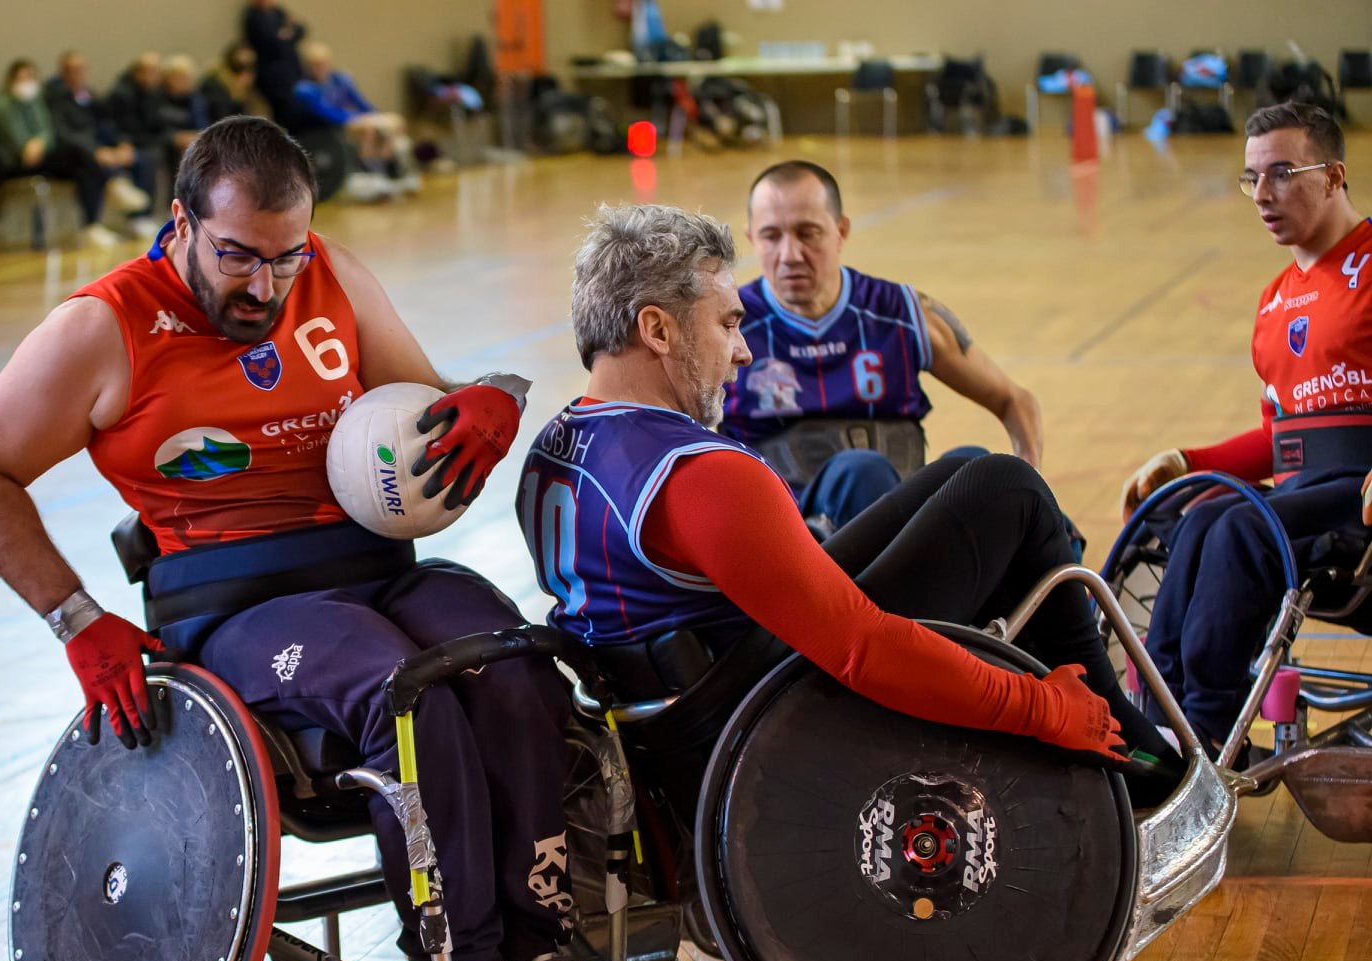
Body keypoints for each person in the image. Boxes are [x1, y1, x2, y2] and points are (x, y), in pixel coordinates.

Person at [0, 116, 608, 961]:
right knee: (401, 689)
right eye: (236, 257)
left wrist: (487, 401)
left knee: (513, 660)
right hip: (236, 607)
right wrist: (75, 618)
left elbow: (425, 407)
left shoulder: (332, 276)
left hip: (377, 565)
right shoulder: (104, 327)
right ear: (180, 221)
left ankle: (540, 943)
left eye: (284, 258)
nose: (265, 285)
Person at [519, 203, 1183, 808]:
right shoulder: (701, 475)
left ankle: (1111, 718)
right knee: (1009, 491)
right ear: (658, 330)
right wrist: (1038, 708)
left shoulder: (552, 446)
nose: (744, 350)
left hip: (678, 711)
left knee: (966, 470)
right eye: (727, 324)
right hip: (760, 731)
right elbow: (863, 650)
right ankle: (1118, 738)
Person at [1119, 103, 1372, 760]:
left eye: (1283, 173)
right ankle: (1160, 711)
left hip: (1358, 491)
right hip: (1306, 487)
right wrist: (1186, 461)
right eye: (1252, 177)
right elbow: (1278, 435)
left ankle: (1208, 724)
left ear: (1335, 174)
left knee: (1238, 528)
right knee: (1198, 513)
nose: (1262, 194)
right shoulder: (1275, 299)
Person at [724, 161, 1045, 530]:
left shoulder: (902, 314)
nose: (790, 254)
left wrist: (1032, 478)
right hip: (794, 529)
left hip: (904, 513)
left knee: (979, 468)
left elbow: (1014, 400)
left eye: (807, 233)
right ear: (751, 238)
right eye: (771, 236)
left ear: (841, 230)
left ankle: (1070, 585)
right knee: (860, 470)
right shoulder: (728, 324)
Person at [0, 59, 124, 249]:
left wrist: (40, 143)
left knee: (83, 168)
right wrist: (31, 145)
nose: (26, 83)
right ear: (10, 80)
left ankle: (91, 226)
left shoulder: (37, 102)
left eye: (30, 77)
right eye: (21, 78)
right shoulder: (2, 107)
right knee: (79, 153)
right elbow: (18, 142)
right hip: (17, 162)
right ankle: (113, 182)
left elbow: (48, 132)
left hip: (42, 155)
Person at [293, 41, 420, 195]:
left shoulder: (340, 79)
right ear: (308, 66)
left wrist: (375, 115)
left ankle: (391, 165)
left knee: (394, 121)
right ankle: (371, 170)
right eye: (315, 65)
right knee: (369, 130)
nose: (321, 68)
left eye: (323, 63)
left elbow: (360, 102)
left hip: (353, 119)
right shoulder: (305, 88)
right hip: (331, 125)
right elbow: (326, 112)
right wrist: (356, 118)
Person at [45, 52, 151, 228]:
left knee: (143, 158)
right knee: (89, 164)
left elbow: (106, 124)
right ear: (63, 73)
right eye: (73, 70)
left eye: (81, 70)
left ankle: (139, 218)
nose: (78, 74)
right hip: (70, 155)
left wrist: (121, 143)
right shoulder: (54, 98)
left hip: (99, 149)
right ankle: (92, 224)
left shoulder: (90, 96)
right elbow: (64, 134)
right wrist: (95, 151)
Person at [241, 0, 305, 126]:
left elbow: (301, 29)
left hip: (291, 71)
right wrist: (286, 33)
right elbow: (272, 42)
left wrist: (285, 34)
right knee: (283, 113)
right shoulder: (253, 16)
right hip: (272, 75)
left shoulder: (278, 12)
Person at [200, 44, 268, 124]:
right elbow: (223, 122)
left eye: (251, 66)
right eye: (239, 67)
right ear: (226, 66)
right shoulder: (214, 86)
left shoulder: (250, 91)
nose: (245, 73)